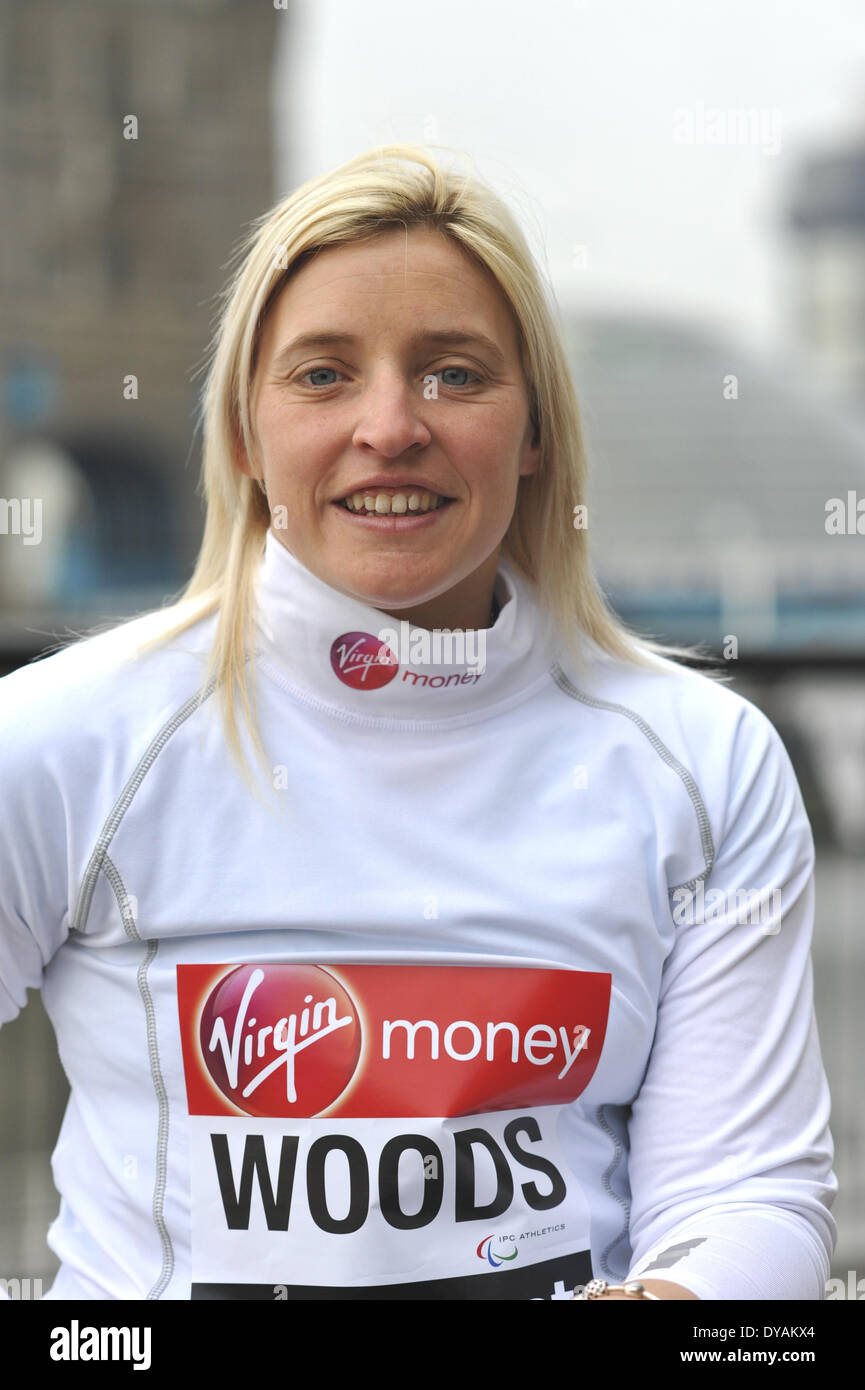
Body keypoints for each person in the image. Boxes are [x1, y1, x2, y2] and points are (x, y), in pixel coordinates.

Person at [0, 145, 836, 1301]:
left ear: (536, 431)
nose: (390, 426)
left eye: (452, 374)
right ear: (243, 435)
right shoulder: (59, 741)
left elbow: (746, 1189)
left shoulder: (707, 762)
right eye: (322, 375)